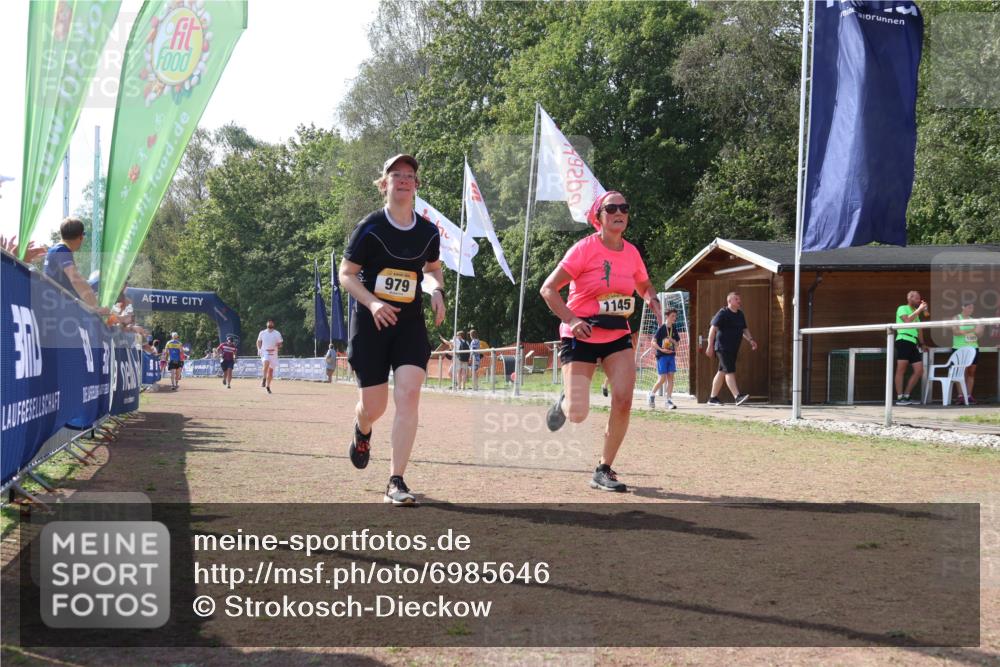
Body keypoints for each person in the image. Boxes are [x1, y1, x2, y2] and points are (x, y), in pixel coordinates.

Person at [339, 153, 446, 505]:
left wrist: (437, 292)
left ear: (416, 185)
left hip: (409, 323)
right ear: (384, 184)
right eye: (396, 174)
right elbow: (346, 275)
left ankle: (396, 480)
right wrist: (372, 303)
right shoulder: (369, 227)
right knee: (375, 406)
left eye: (410, 175)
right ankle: (363, 428)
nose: (403, 179)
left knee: (409, 394)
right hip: (370, 324)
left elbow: (432, 269)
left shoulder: (428, 231)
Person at [540, 190, 662, 493]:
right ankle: (565, 400)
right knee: (578, 413)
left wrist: (652, 299)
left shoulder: (632, 253)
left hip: (616, 334)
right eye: (611, 208)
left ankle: (603, 469)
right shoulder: (584, 249)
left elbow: (643, 284)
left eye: (624, 207)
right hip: (581, 333)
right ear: (599, 217)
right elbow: (548, 289)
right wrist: (571, 319)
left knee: (623, 398)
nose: (619, 212)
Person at [705, 292, 758, 406]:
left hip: (733, 348)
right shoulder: (723, 313)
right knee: (729, 371)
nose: (739, 301)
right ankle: (737, 397)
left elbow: (744, 329)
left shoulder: (740, 314)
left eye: (739, 299)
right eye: (736, 299)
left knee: (722, 372)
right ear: (729, 301)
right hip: (722, 347)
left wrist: (751, 340)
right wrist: (709, 346)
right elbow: (712, 329)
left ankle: (712, 398)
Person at [43, 217, 100, 308]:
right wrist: (96, 308)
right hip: (56, 307)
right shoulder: (62, 251)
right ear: (81, 237)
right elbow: (75, 280)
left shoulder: (56, 250)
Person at [893, 290, 928, 405]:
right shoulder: (902, 308)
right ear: (910, 298)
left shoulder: (916, 312)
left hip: (913, 342)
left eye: (919, 298)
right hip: (903, 340)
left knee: (919, 370)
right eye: (916, 298)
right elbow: (907, 320)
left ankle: (907, 395)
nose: (919, 299)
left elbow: (919, 329)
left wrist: (922, 343)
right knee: (901, 369)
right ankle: (899, 397)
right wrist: (919, 310)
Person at [951, 299, 983, 405]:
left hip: (973, 348)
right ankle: (960, 396)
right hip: (959, 348)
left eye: (972, 308)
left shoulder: (974, 320)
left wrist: (964, 331)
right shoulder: (956, 318)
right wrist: (971, 330)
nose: (971, 310)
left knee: (971, 372)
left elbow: (978, 333)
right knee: (960, 373)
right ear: (963, 307)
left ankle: (968, 396)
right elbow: (955, 332)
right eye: (969, 307)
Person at [649, 308, 681, 409]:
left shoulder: (674, 328)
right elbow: (653, 342)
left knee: (671, 377)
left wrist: (672, 341)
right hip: (662, 356)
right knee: (662, 378)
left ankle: (668, 400)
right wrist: (661, 350)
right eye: (672, 316)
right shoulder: (661, 328)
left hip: (671, 355)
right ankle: (651, 394)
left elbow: (677, 344)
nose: (674, 318)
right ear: (667, 317)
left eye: (675, 316)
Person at [256, 319, 283, 394]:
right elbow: (258, 341)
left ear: (273, 324)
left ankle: (268, 386)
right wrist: (259, 349)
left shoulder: (277, 333)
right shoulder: (262, 332)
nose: (270, 323)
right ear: (267, 324)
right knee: (266, 363)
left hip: (274, 353)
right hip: (265, 352)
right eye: (269, 322)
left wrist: (279, 345)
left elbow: (280, 343)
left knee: (270, 372)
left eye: (271, 322)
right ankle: (264, 379)